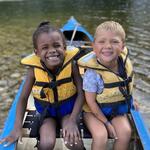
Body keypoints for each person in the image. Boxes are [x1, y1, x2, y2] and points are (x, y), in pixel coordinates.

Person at [0, 21, 85, 150]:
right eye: (45, 48)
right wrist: (16, 128)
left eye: (57, 45)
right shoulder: (33, 70)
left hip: (68, 112)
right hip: (47, 113)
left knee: (74, 142)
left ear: (65, 48)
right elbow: (23, 98)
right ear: (37, 52)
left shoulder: (72, 66)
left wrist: (73, 120)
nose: (52, 51)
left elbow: (81, 93)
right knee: (46, 143)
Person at [78, 21, 139, 150]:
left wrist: (132, 99)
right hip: (92, 112)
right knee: (101, 136)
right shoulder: (92, 74)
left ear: (122, 46)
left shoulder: (124, 63)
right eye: (102, 42)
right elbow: (90, 102)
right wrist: (106, 123)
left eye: (114, 42)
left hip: (114, 110)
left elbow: (127, 84)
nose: (108, 46)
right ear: (94, 47)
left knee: (125, 132)